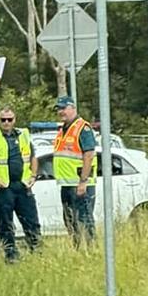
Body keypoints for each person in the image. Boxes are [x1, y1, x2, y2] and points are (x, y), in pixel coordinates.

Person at [0, 107, 41, 261]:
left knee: (31, 220)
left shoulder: (23, 135)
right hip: (4, 188)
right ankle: (11, 255)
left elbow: (33, 156)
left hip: (22, 186)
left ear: (14, 120)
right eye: (3, 120)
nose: (6, 122)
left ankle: (37, 251)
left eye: (9, 119)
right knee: (5, 223)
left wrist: (33, 176)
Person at [54, 95, 98, 247]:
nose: (61, 112)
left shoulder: (82, 128)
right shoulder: (63, 129)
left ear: (73, 108)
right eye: (59, 109)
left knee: (84, 220)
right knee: (70, 221)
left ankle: (91, 250)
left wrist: (83, 182)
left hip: (80, 185)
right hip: (67, 184)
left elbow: (89, 155)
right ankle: (78, 249)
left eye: (63, 108)